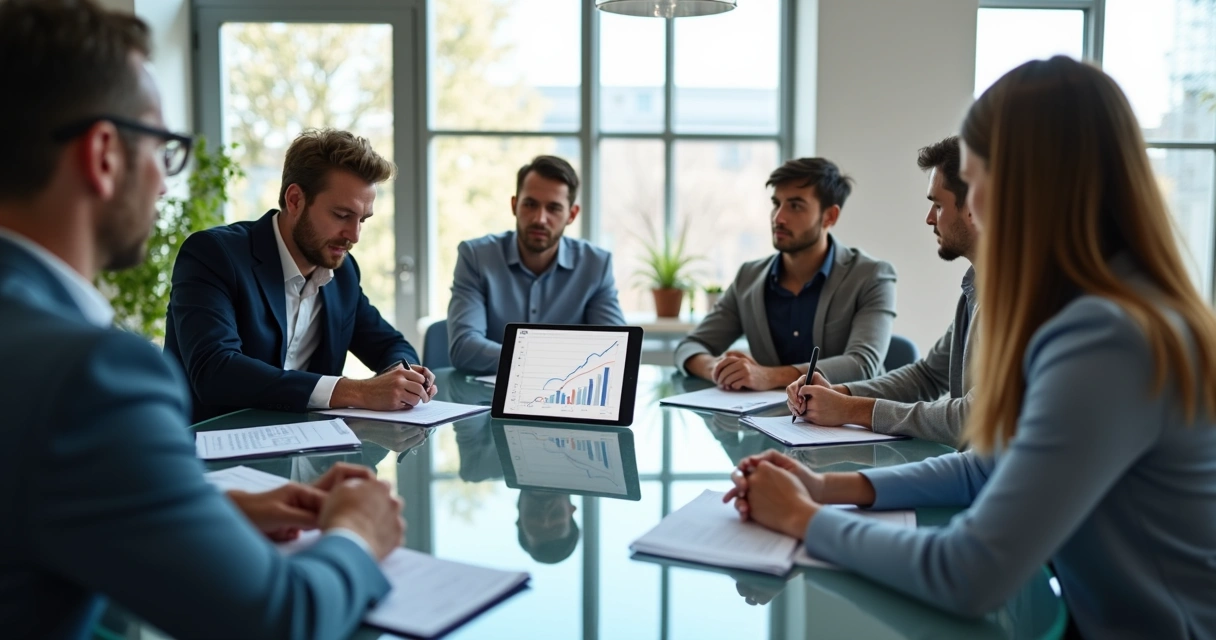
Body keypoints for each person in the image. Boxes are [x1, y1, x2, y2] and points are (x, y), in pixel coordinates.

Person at [726, 57, 1216, 637]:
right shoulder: (1085, 305)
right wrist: (827, 487)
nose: (969, 206)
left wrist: (804, 518)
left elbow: (969, 574)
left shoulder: (1106, 336)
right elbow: (992, 463)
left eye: (975, 181)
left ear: (1020, 189)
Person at [0, 1, 405, 637]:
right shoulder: (89, 378)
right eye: (165, 149)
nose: (164, 185)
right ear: (104, 155)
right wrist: (358, 532)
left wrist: (213, 510)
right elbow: (278, 619)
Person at [165, 128, 436, 422]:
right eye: (342, 215)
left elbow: (390, 345)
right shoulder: (214, 255)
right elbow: (215, 370)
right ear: (295, 200)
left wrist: (406, 377)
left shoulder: (343, 273)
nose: (354, 236)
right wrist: (359, 392)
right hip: (213, 449)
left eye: (363, 220)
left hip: (309, 450)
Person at [786, 137, 979, 446]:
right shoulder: (975, 288)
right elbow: (928, 376)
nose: (930, 218)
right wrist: (840, 394)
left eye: (938, 205)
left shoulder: (1015, 301)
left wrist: (852, 409)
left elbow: (974, 419)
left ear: (974, 207)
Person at [675, 158, 897, 390]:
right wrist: (718, 369)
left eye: (795, 206)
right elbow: (690, 347)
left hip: (849, 420)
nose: (778, 218)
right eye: (776, 204)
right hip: (767, 419)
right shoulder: (749, 278)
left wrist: (768, 376)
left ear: (829, 216)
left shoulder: (872, 276)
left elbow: (862, 364)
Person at [448, 155, 625, 374]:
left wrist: (530, 361)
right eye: (530, 204)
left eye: (554, 208)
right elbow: (464, 348)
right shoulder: (475, 256)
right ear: (514, 205)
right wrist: (552, 362)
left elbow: (615, 350)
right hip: (488, 399)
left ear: (572, 214)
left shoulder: (595, 265)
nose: (540, 219)